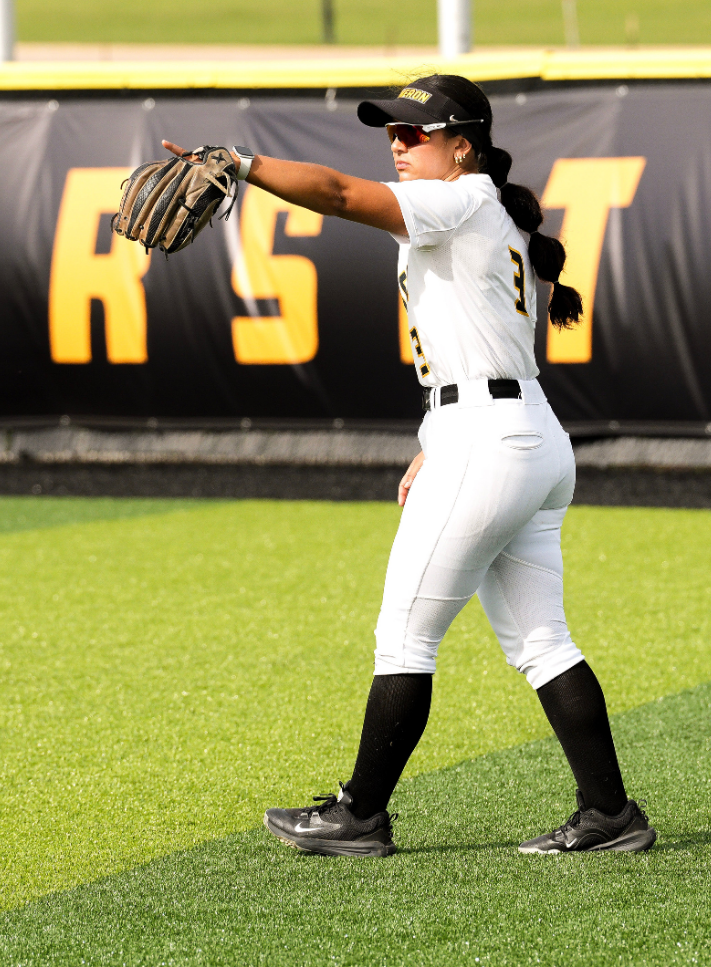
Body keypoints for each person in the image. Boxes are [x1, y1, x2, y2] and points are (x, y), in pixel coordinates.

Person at [167, 74, 653, 857]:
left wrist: (241, 162)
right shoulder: (488, 211)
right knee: (543, 642)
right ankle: (610, 814)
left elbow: (333, 192)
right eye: (390, 133)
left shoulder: (459, 200)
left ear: (462, 145)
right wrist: (437, 439)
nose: (397, 145)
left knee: (405, 640)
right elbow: (492, 346)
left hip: (490, 441)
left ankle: (358, 814)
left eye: (413, 134)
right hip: (523, 434)